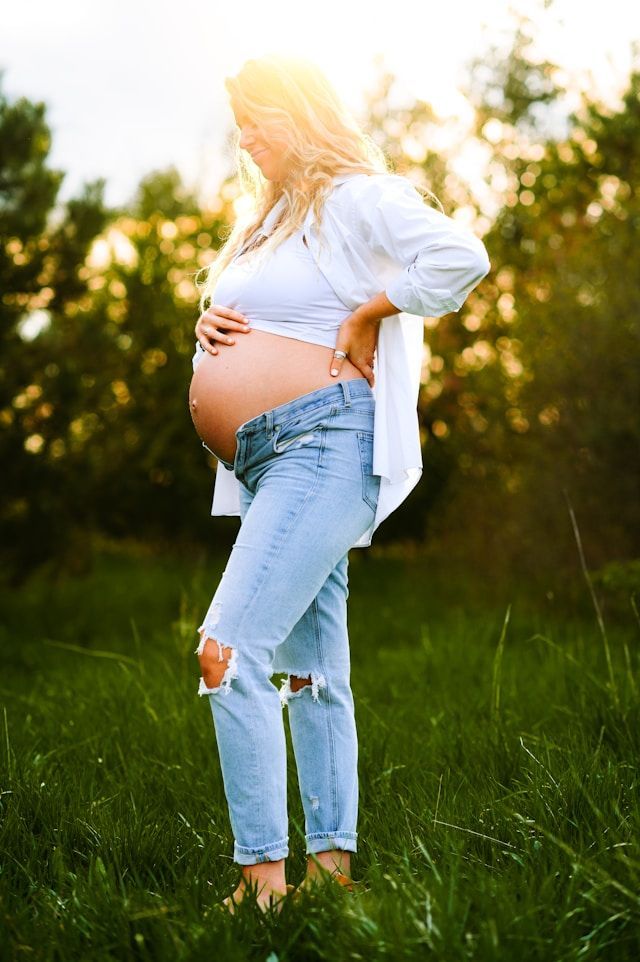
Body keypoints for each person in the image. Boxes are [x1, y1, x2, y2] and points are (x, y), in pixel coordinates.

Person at [188, 54, 490, 914]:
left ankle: (262, 890)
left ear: (302, 113)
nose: (246, 139)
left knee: (227, 654)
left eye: (259, 120)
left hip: (326, 448)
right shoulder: (269, 219)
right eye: (238, 124)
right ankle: (330, 883)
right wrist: (208, 321)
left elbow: (458, 256)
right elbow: (267, 316)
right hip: (273, 461)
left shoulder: (357, 196)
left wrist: (370, 312)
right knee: (311, 676)